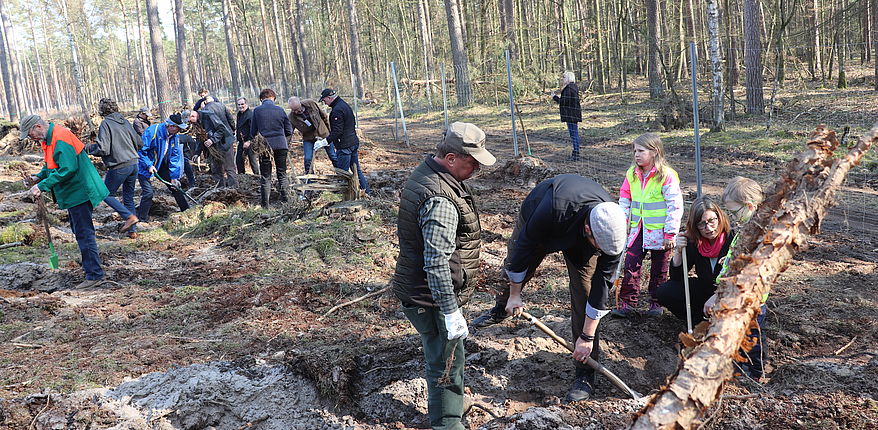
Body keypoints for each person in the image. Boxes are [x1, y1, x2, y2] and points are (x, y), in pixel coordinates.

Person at [471, 174, 627, 402]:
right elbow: (522, 251)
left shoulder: (612, 233)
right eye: (599, 246)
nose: (603, 251)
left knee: (584, 292)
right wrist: (515, 295)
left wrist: (586, 337)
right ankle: (502, 307)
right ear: (587, 229)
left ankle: (585, 372)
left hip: (581, 234)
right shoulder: (552, 209)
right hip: (544, 217)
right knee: (516, 265)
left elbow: (600, 288)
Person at [392, 122, 496, 429]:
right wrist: (450, 312)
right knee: (447, 365)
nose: (477, 168)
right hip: (433, 299)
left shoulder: (432, 175)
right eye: (472, 162)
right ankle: (448, 424)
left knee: (444, 358)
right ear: (451, 158)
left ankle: (448, 415)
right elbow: (437, 263)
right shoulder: (440, 200)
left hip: (427, 293)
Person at [21, 114, 109, 287]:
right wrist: (38, 177)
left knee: (84, 233)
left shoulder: (60, 138)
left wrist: (42, 186)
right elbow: (51, 164)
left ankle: (94, 275)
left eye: (30, 135)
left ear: (38, 127)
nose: (31, 139)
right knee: (80, 231)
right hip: (73, 193)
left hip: (80, 191)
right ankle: (90, 269)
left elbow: (68, 169)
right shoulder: (50, 139)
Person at [613, 133, 683, 317]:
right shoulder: (632, 174)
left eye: (641, 151)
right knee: (631, 264)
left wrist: (670, 233)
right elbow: (625, 200)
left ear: (654, 152)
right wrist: (622, 223)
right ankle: (628, 303)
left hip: (661, 233)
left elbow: (675, 205)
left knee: (659, 268)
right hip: (638, 230)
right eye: (635, 151)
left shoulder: (666, 176)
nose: (637, 154)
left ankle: (656, 303)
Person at [712, 176, 767, 379]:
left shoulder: (760, 233)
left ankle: (755, 374)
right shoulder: (746, 229)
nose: (732, 216)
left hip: (751, 297)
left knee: (752, 337)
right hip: (736, 295)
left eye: (734, 212)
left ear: (749, 206)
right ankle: (737, 369)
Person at [656, 197, 734, 325]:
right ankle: (700, 323)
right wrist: (679, 251)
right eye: (702, 224)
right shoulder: (695, 242)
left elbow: (739, 279)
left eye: (712, 221)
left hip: (729, 293)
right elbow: (677, 277)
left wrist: (718, 296)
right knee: (665, 291)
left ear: (719, 217)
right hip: (706, 291)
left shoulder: (733, 239)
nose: (708, 228)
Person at [87, 98, 142, 238]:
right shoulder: (125, 122)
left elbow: (103, 149)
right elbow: (139, 142)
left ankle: (129, 217)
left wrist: (88, 148)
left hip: (119, 166)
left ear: (102, 111)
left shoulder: (106, 124)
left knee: (105, 194)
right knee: (128, 198)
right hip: (134, 164)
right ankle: (132, 231)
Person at [137, 114, 191, 221]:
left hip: (160, 164)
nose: (180, 130)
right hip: (144, 165)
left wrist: (174, 177)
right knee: (148, 193)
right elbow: (141, 151)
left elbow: (175, 156)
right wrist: (149, 165)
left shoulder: (174, 136)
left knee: (175, 187)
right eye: (178, 128)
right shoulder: (153, 131)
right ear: (171, 126)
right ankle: (141, 219)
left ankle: (187, 212)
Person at [319, 88, 371, 195]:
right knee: (356, 170)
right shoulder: (344, 105)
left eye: (324, 100)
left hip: (345, 146)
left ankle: (343, 196)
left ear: (329, 98)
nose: (324, 103)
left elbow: (337, 131)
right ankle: (367, 192)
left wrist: (324, 141)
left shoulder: (337, 110)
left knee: (343, 173)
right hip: (353, 142)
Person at [250, 88, 294, 206]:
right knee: (282, 174)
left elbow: (252, 132)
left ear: (261, 99)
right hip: (281, 144)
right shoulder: (280, 110)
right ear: (273, 98)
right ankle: (287, 202)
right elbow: (289, 130)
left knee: (266, 176)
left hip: (265, 146)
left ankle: (265, 205)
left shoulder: (257, 111)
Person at [288, 96, 337, 173]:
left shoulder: (311, 104)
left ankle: (340, 172)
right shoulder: (291, 117)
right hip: (308, 138)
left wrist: (330, 132)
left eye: (297, 109)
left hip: (323, 134)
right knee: (308, 159)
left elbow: (324, 116)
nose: (296, 112)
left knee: (333, 156)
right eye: (294, 110)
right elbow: (289, 132)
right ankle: (309, 176)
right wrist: (286, 145)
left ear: (300, 104)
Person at [199, 103, 238, 188]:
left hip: (224, 142)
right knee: (223, 168)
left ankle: (231, 189)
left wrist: (212, 140)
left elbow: (221, 128)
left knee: (225, 168)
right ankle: (225, 189)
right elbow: (230, 119)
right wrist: (232, 129)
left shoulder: (208, 113)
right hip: (220, 143)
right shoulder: (221, 106)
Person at [552, 71, 582, 162]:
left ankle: (576, 153)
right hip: (573, 114)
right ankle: (575, 152)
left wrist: (554, 97)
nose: (563, 79)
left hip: (571, 115)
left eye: (564, 77)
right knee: (574, 134)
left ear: (569, 78)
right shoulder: (573, 87)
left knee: (574, 134)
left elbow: (563, 102)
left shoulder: (569, 88)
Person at [234, 97, 260, 175]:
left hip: (251, 141)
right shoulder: (239, 114)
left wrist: (249, 141)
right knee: (239, 160)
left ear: (246, 104)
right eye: (239, 104)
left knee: (252, 160)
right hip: (241, 141)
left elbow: (254, 129)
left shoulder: (250, 115)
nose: (240, 106)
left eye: (242, 104)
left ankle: (257, 176)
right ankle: (241, 176)